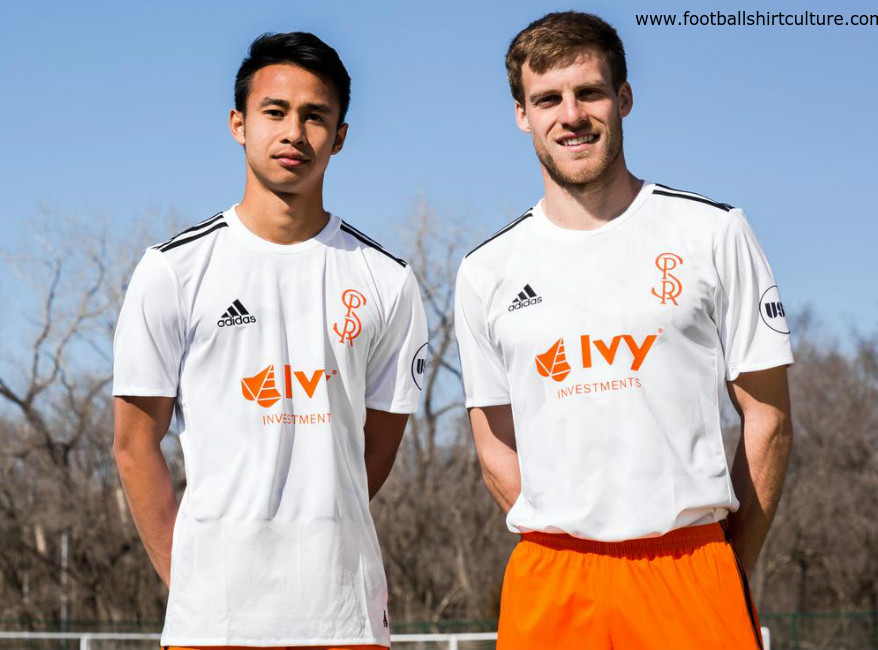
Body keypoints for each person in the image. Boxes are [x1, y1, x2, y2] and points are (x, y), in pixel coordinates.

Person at [454, 11, 793, 649]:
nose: (571, 114)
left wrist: (728, 562)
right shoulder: (485, 270)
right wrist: (575, 526)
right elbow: (494, 443)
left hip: (690, 567)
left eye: (590, 92)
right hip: (551, 575)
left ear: (624, 98)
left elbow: (768, 419)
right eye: (547, 98)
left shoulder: (714, 233)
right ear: (522, 115)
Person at [113, 32, 427, 650]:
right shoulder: (172, 270)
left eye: (316, 117)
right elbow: (132, 446)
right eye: (275, 112)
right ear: (239, 123)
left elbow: (376, 450)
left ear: (339, 137)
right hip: (215, 621)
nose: (294, 133)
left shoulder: (388, 281)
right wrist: (193, 583)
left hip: (345, 616)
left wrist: (312, 533)